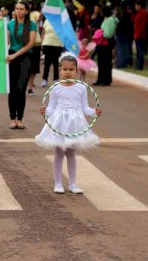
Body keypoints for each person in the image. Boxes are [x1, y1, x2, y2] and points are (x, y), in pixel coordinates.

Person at [36, 52, 102, 194]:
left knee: (71, 153)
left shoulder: (82, 88)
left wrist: (93, 112)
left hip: (75, 123)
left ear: (76, 71)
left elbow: (85, 107)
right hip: (59, 122)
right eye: (64, 69)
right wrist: (45, 111)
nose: (67, 72)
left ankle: (72, 184)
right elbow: (52, 107)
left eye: (71, 70)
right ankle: (58, 183)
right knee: (59, 152)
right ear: (59, 70)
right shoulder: (55, 88)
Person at [6, 0, 37, 129]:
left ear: (26, 11)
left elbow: (31, 43)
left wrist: (15, 55)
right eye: (17, 8)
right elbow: (6, 40)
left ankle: (20, 119)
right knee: (12, 90)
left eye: (21, 9)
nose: (18, 11)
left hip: (25, 58)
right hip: (11, 58)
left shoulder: (32, 25)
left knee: (21, 89)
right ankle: (12, 118)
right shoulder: (10, 24)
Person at [93, 6, 118, 86]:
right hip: (102, 42)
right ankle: (100, 79)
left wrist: (102, 33)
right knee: (100, 62)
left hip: (107, 43)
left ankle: (106, 80)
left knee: (106, 62)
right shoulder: (106, 19)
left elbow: (109, 33)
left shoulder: (111, 20)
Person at [41, 18, 64, 87]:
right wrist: (42, 43)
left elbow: (64, 32)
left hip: (58, 44)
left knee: (56, 63)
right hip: (47, 43)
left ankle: (56, 79)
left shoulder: (61, 21)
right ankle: (44, 79)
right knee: (47, 63)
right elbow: (43, 32)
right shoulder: (47, 20)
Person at [26, 0, 42, 96]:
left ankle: (30, 88)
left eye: (30, 3)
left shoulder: (35, 13)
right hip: (24, 45)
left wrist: (41, 14)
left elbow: (39, 17)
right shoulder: (21, 16)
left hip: (36, 44)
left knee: (34, 68)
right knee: (25, 67)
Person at [133, 0, 148, 70]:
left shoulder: (143, 13)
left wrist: (138, 35)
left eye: (136, 6)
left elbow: (142, 25)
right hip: (137, 34)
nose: (135, 7)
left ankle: (140, 66)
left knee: (140, 51)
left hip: (140, 35)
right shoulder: (139, 13)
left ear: (139, 6)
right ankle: (138, 65)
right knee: (138, 51)